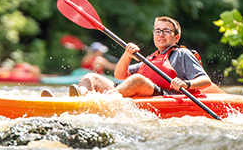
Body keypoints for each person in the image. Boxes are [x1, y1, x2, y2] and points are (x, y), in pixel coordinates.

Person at [70, 16, 212, 97]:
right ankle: (80, 98)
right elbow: (120, 75)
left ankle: (97, 101)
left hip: (165, 95)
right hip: (143, 92)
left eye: (166, 31)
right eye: (157, 31)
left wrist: (186, 84)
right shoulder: (150, 58)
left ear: (176, 38)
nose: (161, 34)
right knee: (91, 77)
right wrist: (127, 55)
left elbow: (206, 80)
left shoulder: (182, 54)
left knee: (137, 79)